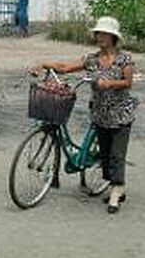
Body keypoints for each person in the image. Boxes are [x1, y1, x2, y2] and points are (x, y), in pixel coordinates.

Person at [31, 16, 137, 214]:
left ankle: (117, 192)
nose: (100, 37)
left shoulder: (124, 59)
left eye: (104, 34)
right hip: (99, 113)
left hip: (121, 113)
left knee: (116, 154)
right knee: (105, 155)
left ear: (113, 37)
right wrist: (45, 64)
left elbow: (128, 83)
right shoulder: (91, 59)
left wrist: (110, 84)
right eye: (98, 33)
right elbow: (65, 68)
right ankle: (114, 185)